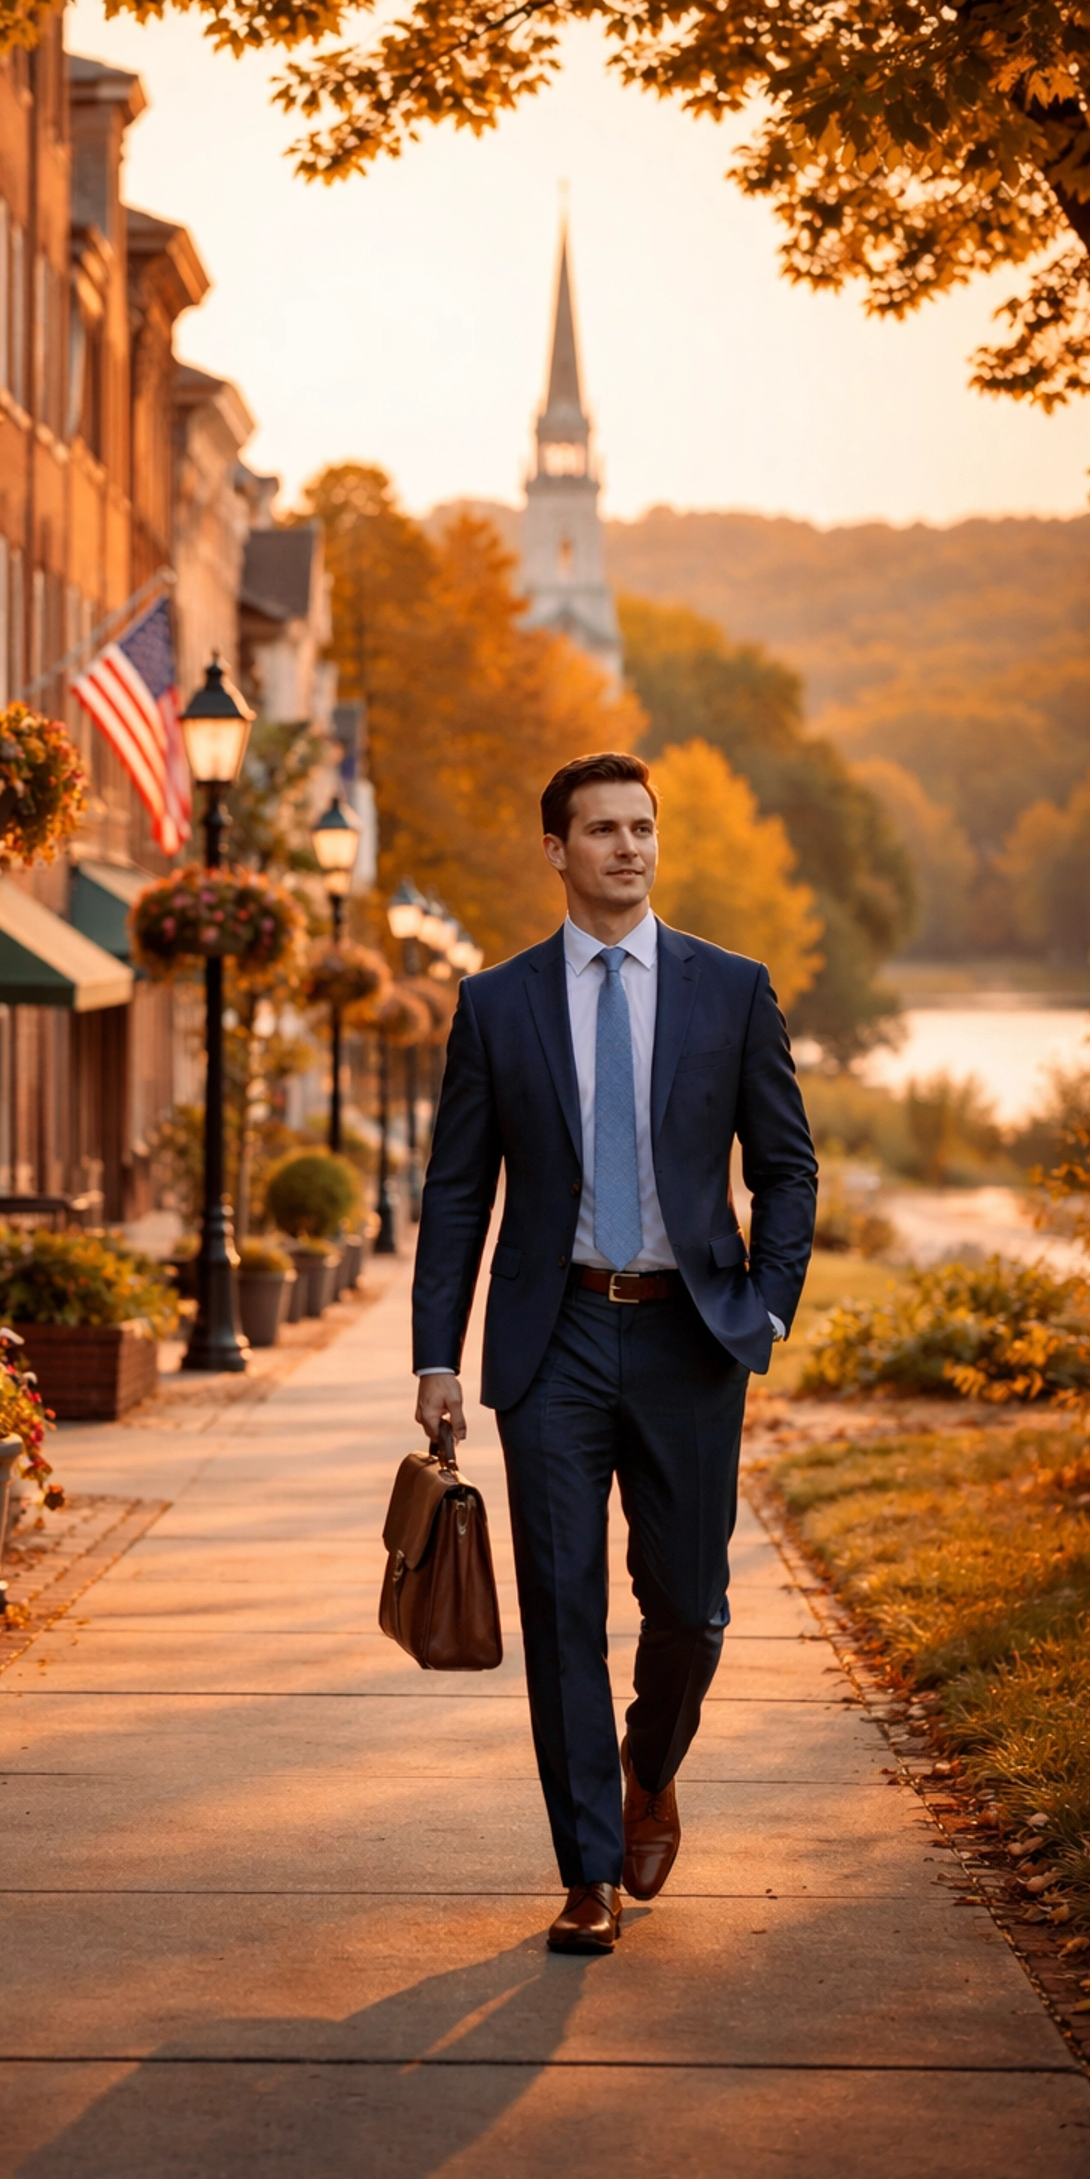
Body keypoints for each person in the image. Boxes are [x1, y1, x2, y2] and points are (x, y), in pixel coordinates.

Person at [411, 750, 817, 1954]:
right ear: (556, 851)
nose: (628, 848)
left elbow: (786, 1165)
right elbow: (453, 1194)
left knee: (689, 1611)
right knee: (563, 1606)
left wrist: (772, 1303)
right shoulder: (497, 1004)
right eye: (602, 830)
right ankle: (587, 1870)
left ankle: (651, 1763)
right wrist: (439, 1353)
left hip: (696, 1335)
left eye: (642, 828)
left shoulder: (731, 989)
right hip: (558, 1337)